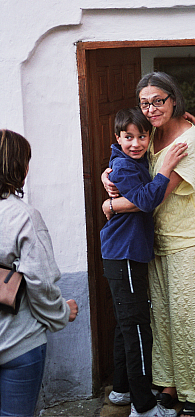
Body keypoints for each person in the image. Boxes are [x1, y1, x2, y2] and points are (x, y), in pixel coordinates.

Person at [102, 72, 195, 417]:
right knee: (164, 318)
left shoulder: (191, 140)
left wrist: (111, 205)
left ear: (174, 100)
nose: (152, 108)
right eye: (145, 102)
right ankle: (170, 384)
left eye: (158, 100)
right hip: (158, 239)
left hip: (191, 238)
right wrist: (106, 174)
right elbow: (123, 150)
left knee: (191, 317)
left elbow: (152, 196)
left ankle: (194, 393)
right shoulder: (151, 132)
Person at [101, 107, 187, 417]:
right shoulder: (123, 168)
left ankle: (123, 389)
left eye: (141, 136)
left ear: (149, 137)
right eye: (128, 137)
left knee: (126, 327)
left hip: (126, 253)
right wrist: (167, 167)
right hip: (123, 253)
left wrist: (184, 120)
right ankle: (145, 407)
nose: (135, 143)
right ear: (117, 138)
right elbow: (148, 199)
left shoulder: (126, 162)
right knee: (137, 329)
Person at [0, 129, 78, 417]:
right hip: (17, 344)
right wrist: (61, 312)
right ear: (19, 167)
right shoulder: (23, 217)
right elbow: (40, 282)